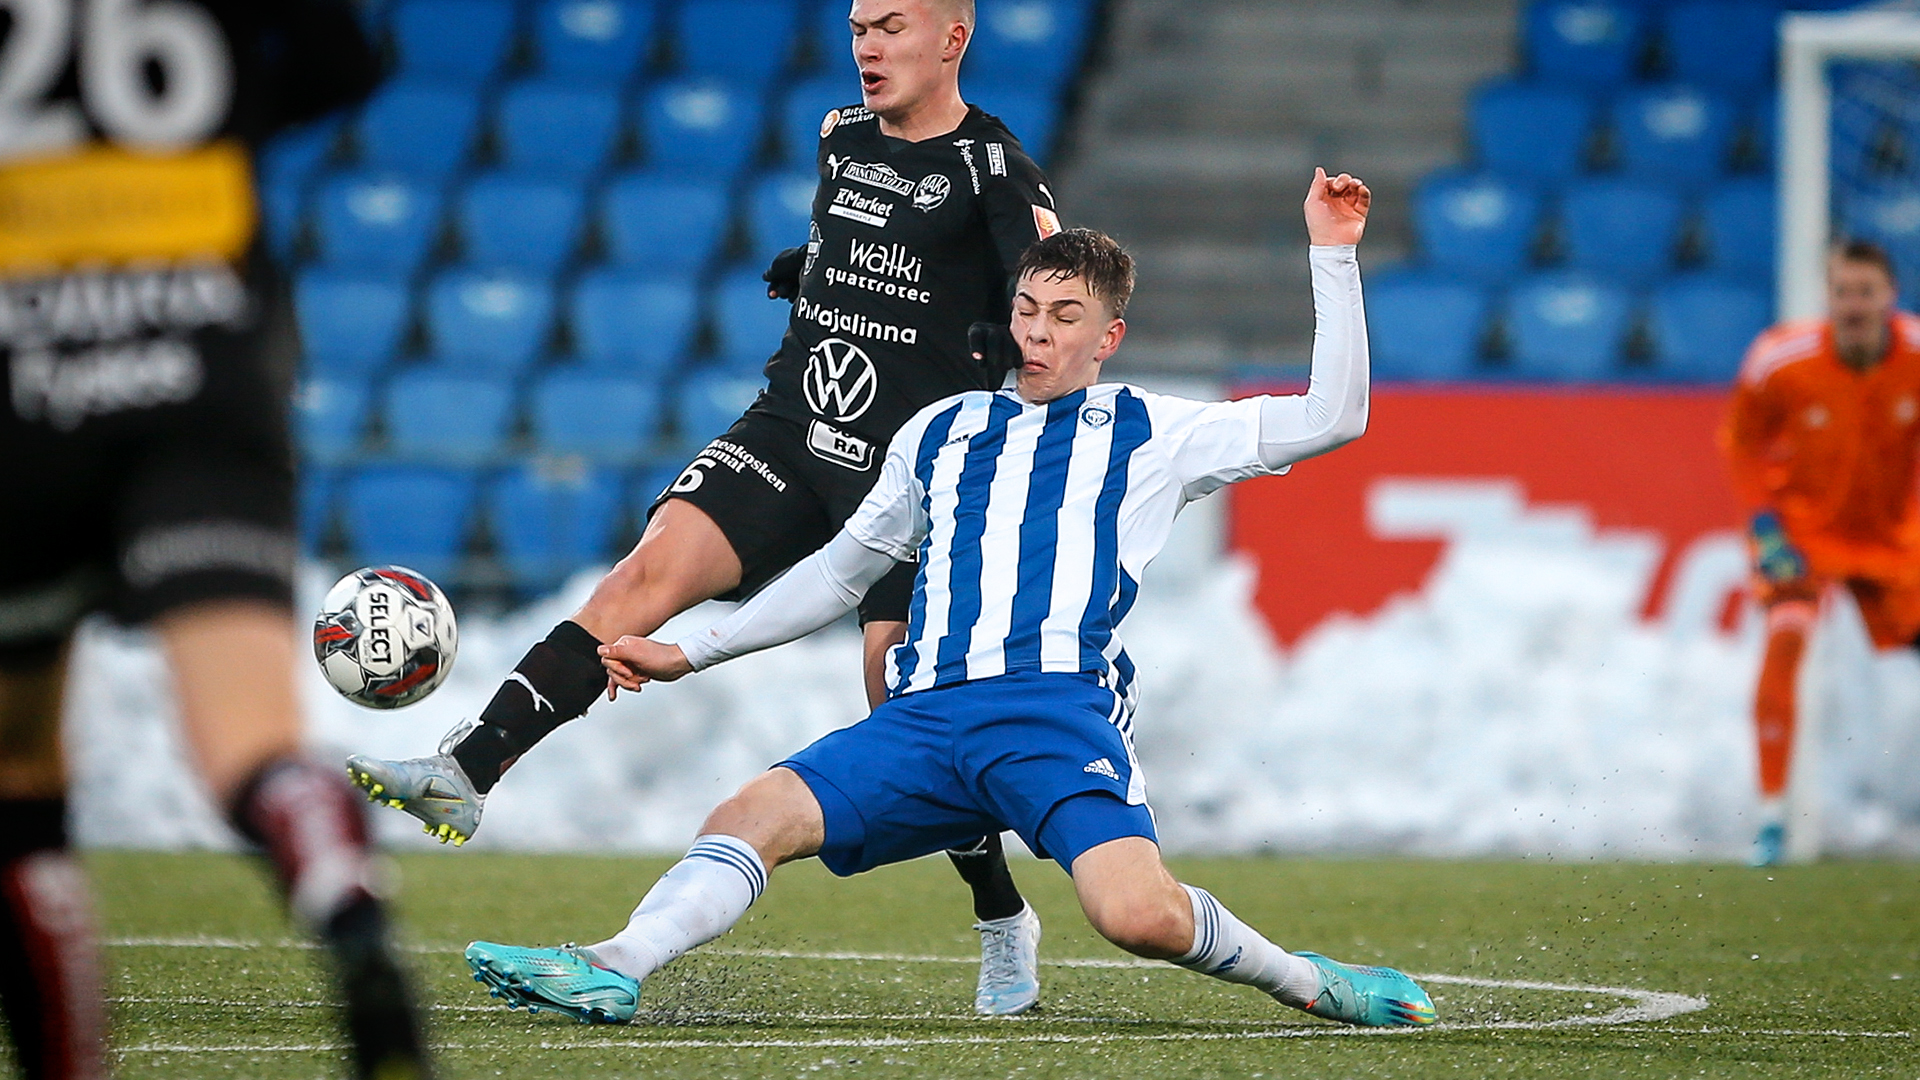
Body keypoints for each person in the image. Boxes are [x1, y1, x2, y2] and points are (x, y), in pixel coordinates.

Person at [457, 176, 1436, 1031]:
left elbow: (1334, 416)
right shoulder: (945, 431)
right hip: (926, 721)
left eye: (1064, 316)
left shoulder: (1154, 435)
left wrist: (1333, 256)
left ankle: (1314, 983)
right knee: (751, 812)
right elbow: (844, 570)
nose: (1038, 333)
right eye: (1027, 309)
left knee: (1139, 918)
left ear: (1109, 336)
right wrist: (693, 649)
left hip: (1052, 718)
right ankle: (613, 969)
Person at [346, 0, 1061, 1015]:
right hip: (791, 424)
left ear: (953, 38)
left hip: (902, 476)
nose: (866, 46)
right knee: (643, 576)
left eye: (892, 26)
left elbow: (1059, 290)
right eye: (858, 26)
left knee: (898, 712)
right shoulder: (842, 137)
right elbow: (875, 256)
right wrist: (814, 275)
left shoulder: (994, 167)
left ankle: (1000, 914)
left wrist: (1004, 345)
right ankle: (466, 770)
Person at [0, 3, 433, 1077]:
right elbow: (344, 54)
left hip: (26, 365)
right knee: (249, 737)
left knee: (14, 765)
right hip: (202, 358)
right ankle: (342, 897)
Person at [1721, 240, 1920, 867]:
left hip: (1891, 539)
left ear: (1891, 296)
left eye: (1866, 292)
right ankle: (1772, 820)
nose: (1854, 304)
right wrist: (1764, 523)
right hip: (1802, 534)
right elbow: (1741, 443)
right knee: (1787, 633)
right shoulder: (1781, 359)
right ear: (1827, 296)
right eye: (1842, 292)